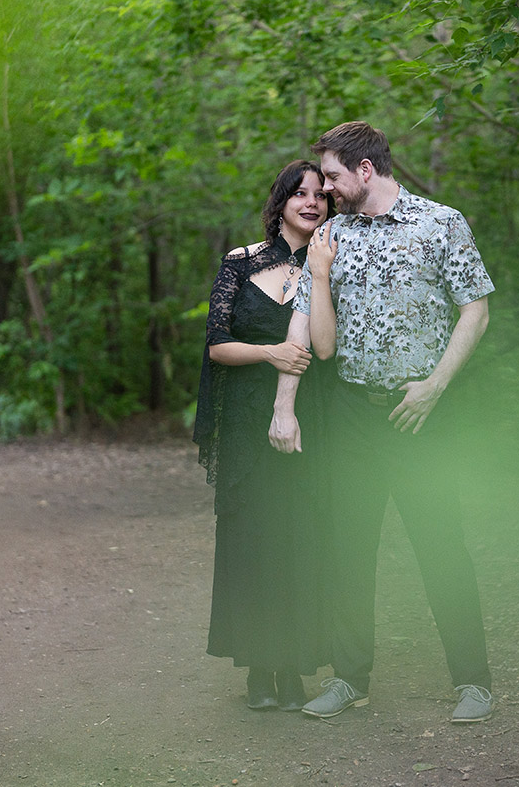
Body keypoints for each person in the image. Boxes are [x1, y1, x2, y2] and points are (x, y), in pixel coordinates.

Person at [269, 121, 496, 724]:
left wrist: (435, 386)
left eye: (333, 177)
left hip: (420, 414)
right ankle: (350, 679)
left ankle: (473, 682)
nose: (326, 189)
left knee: (441, 544)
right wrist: (284, 402)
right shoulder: (331, 237)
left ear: (365, 170)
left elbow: (476, 310)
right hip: (352, 414)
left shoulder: (441, 223)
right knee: (349, 546)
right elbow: (311, 331)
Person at [194, 159, 333, 711]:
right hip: (246, 421)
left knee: (298, 536)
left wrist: (322, 275)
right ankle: (257, 667)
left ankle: (293, 667)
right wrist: (269, 352)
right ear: (280, 202)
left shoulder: (330, 264)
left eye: (320, 194)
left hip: (307, 418)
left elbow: (327, 345)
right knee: (252, 538)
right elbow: (217, 345)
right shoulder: (241, 261)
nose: (312, 202)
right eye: (300, 193)